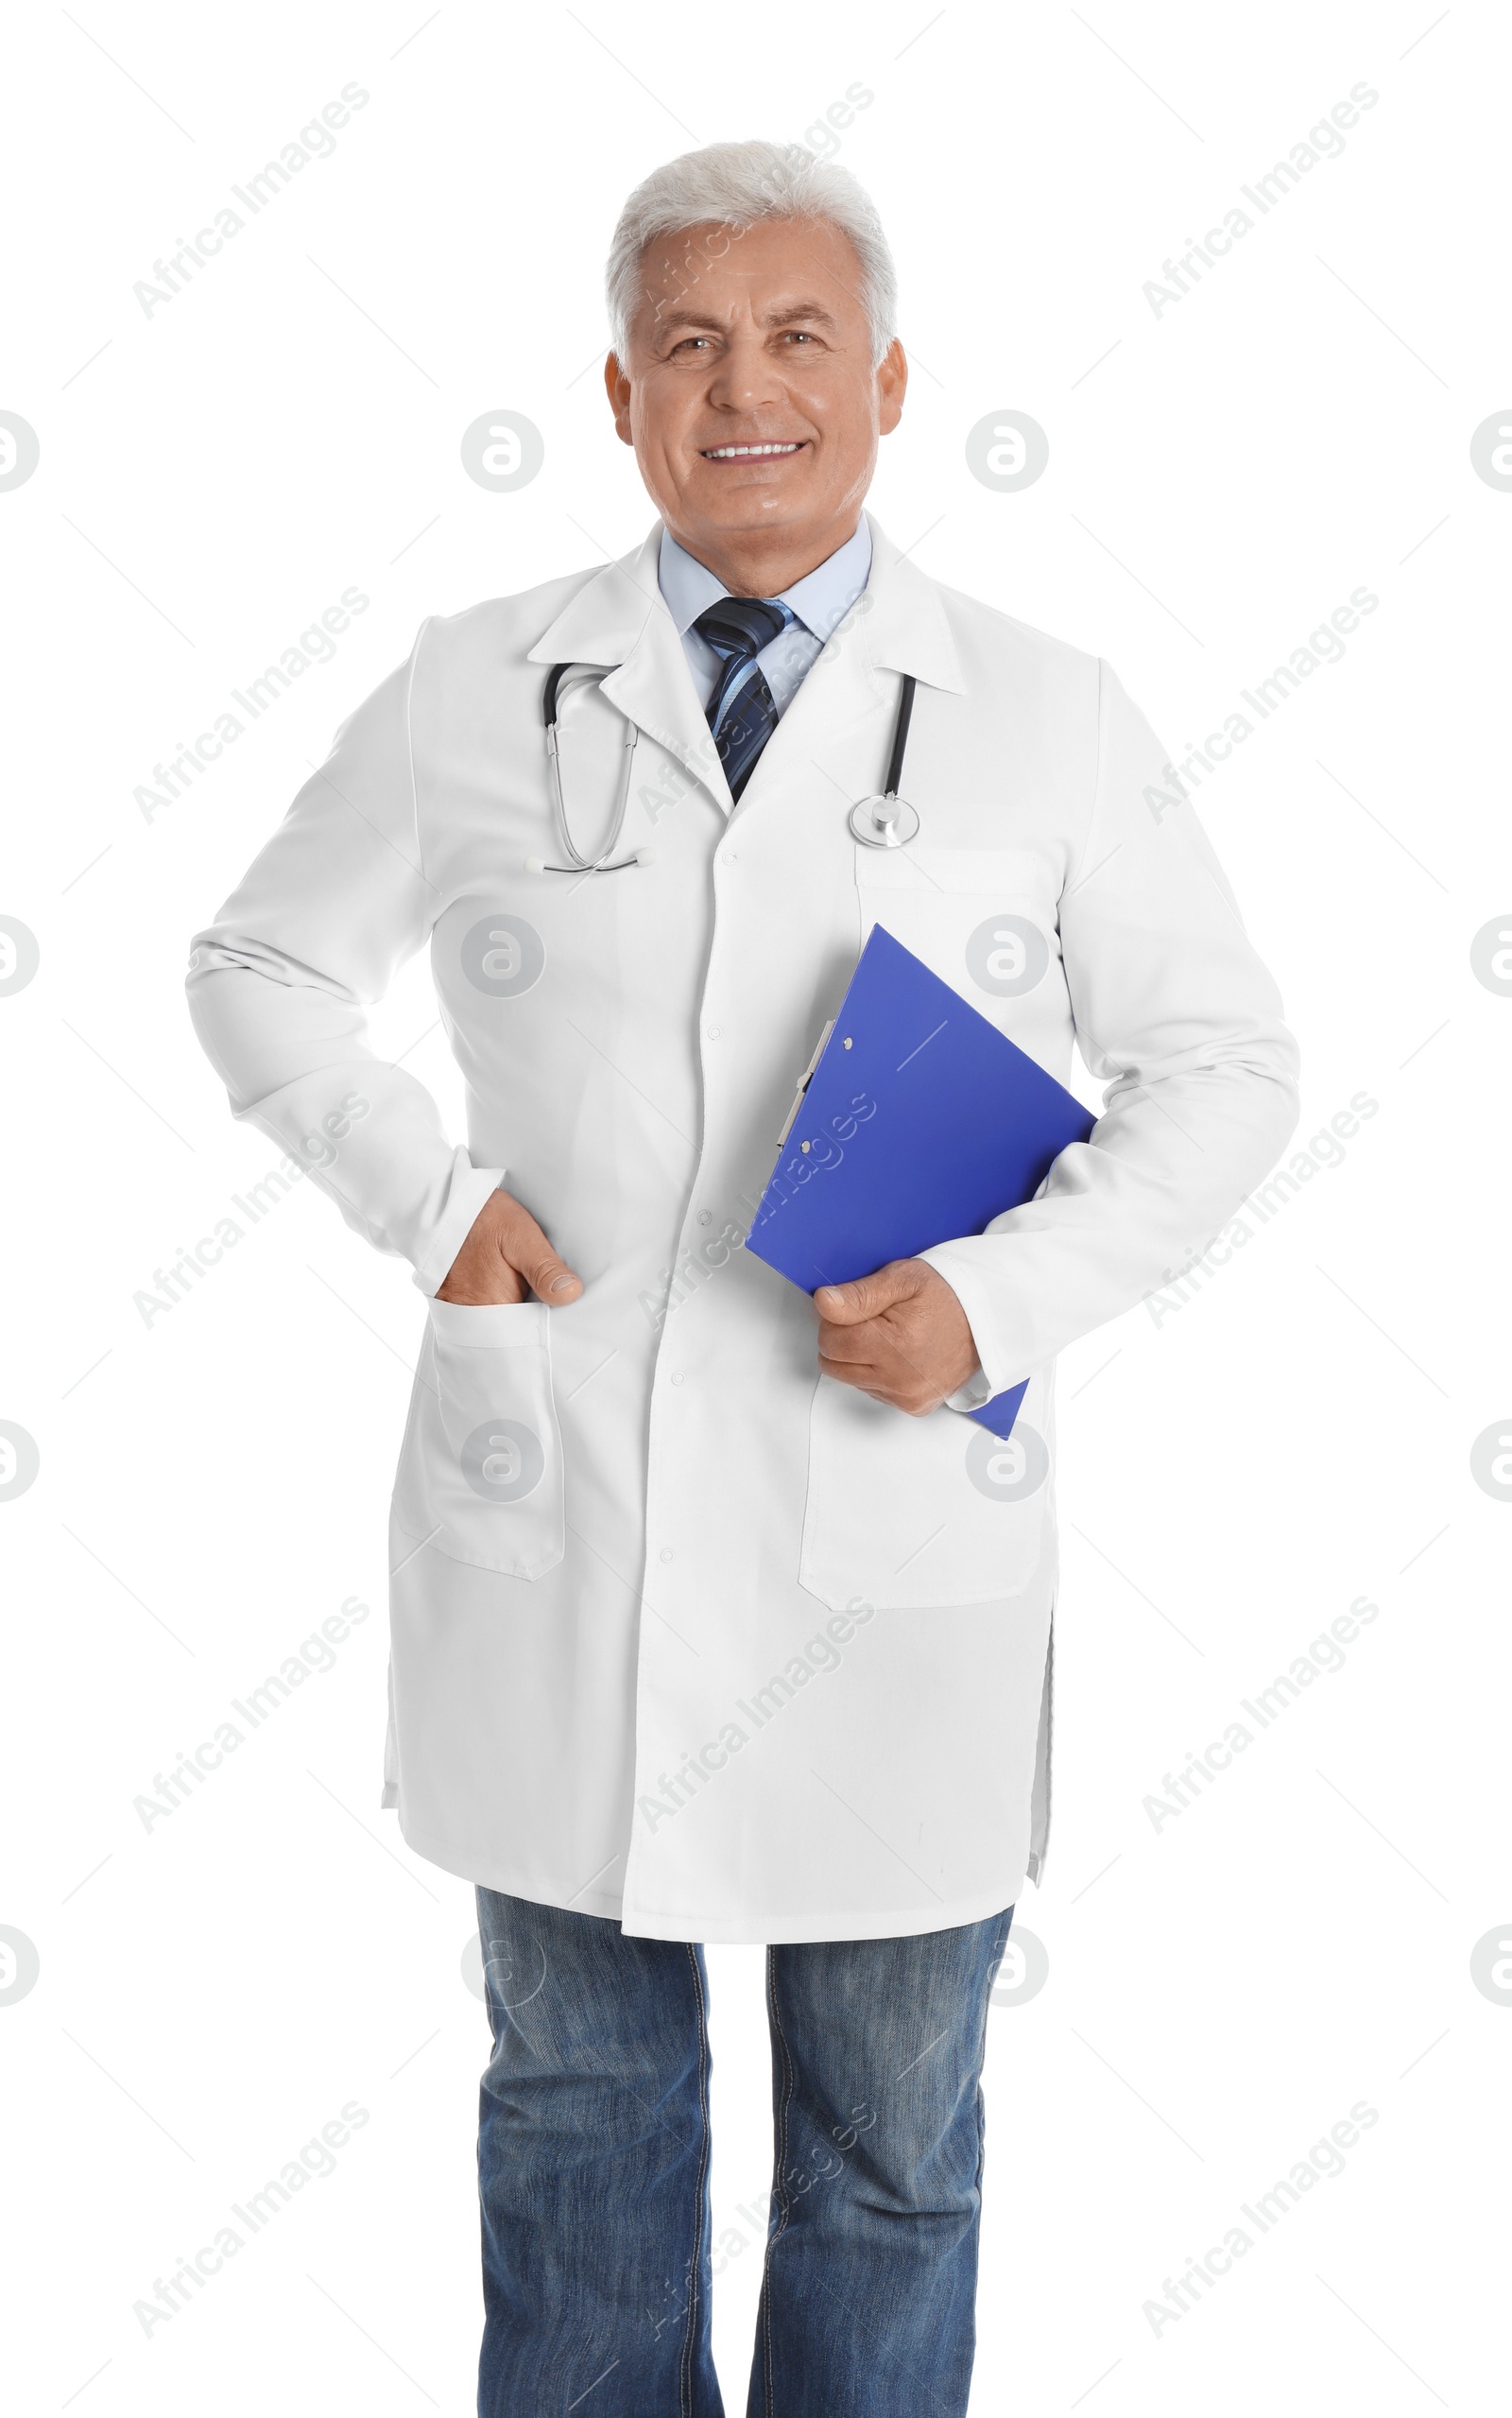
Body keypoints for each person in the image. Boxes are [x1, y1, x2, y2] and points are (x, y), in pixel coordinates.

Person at [186, 138, 1300, 2418]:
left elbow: (1225, 1069)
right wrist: (426, 1201)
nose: (744, 387)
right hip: (565, 1503)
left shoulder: (1044, 703)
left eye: (797, 336)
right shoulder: (478, 683)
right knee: (578, 2122)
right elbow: (261, 962)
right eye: (686, 343)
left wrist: (997, 1301)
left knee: (889, 2154)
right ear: (616, 398)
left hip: (886, 1531)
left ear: (888, 378)